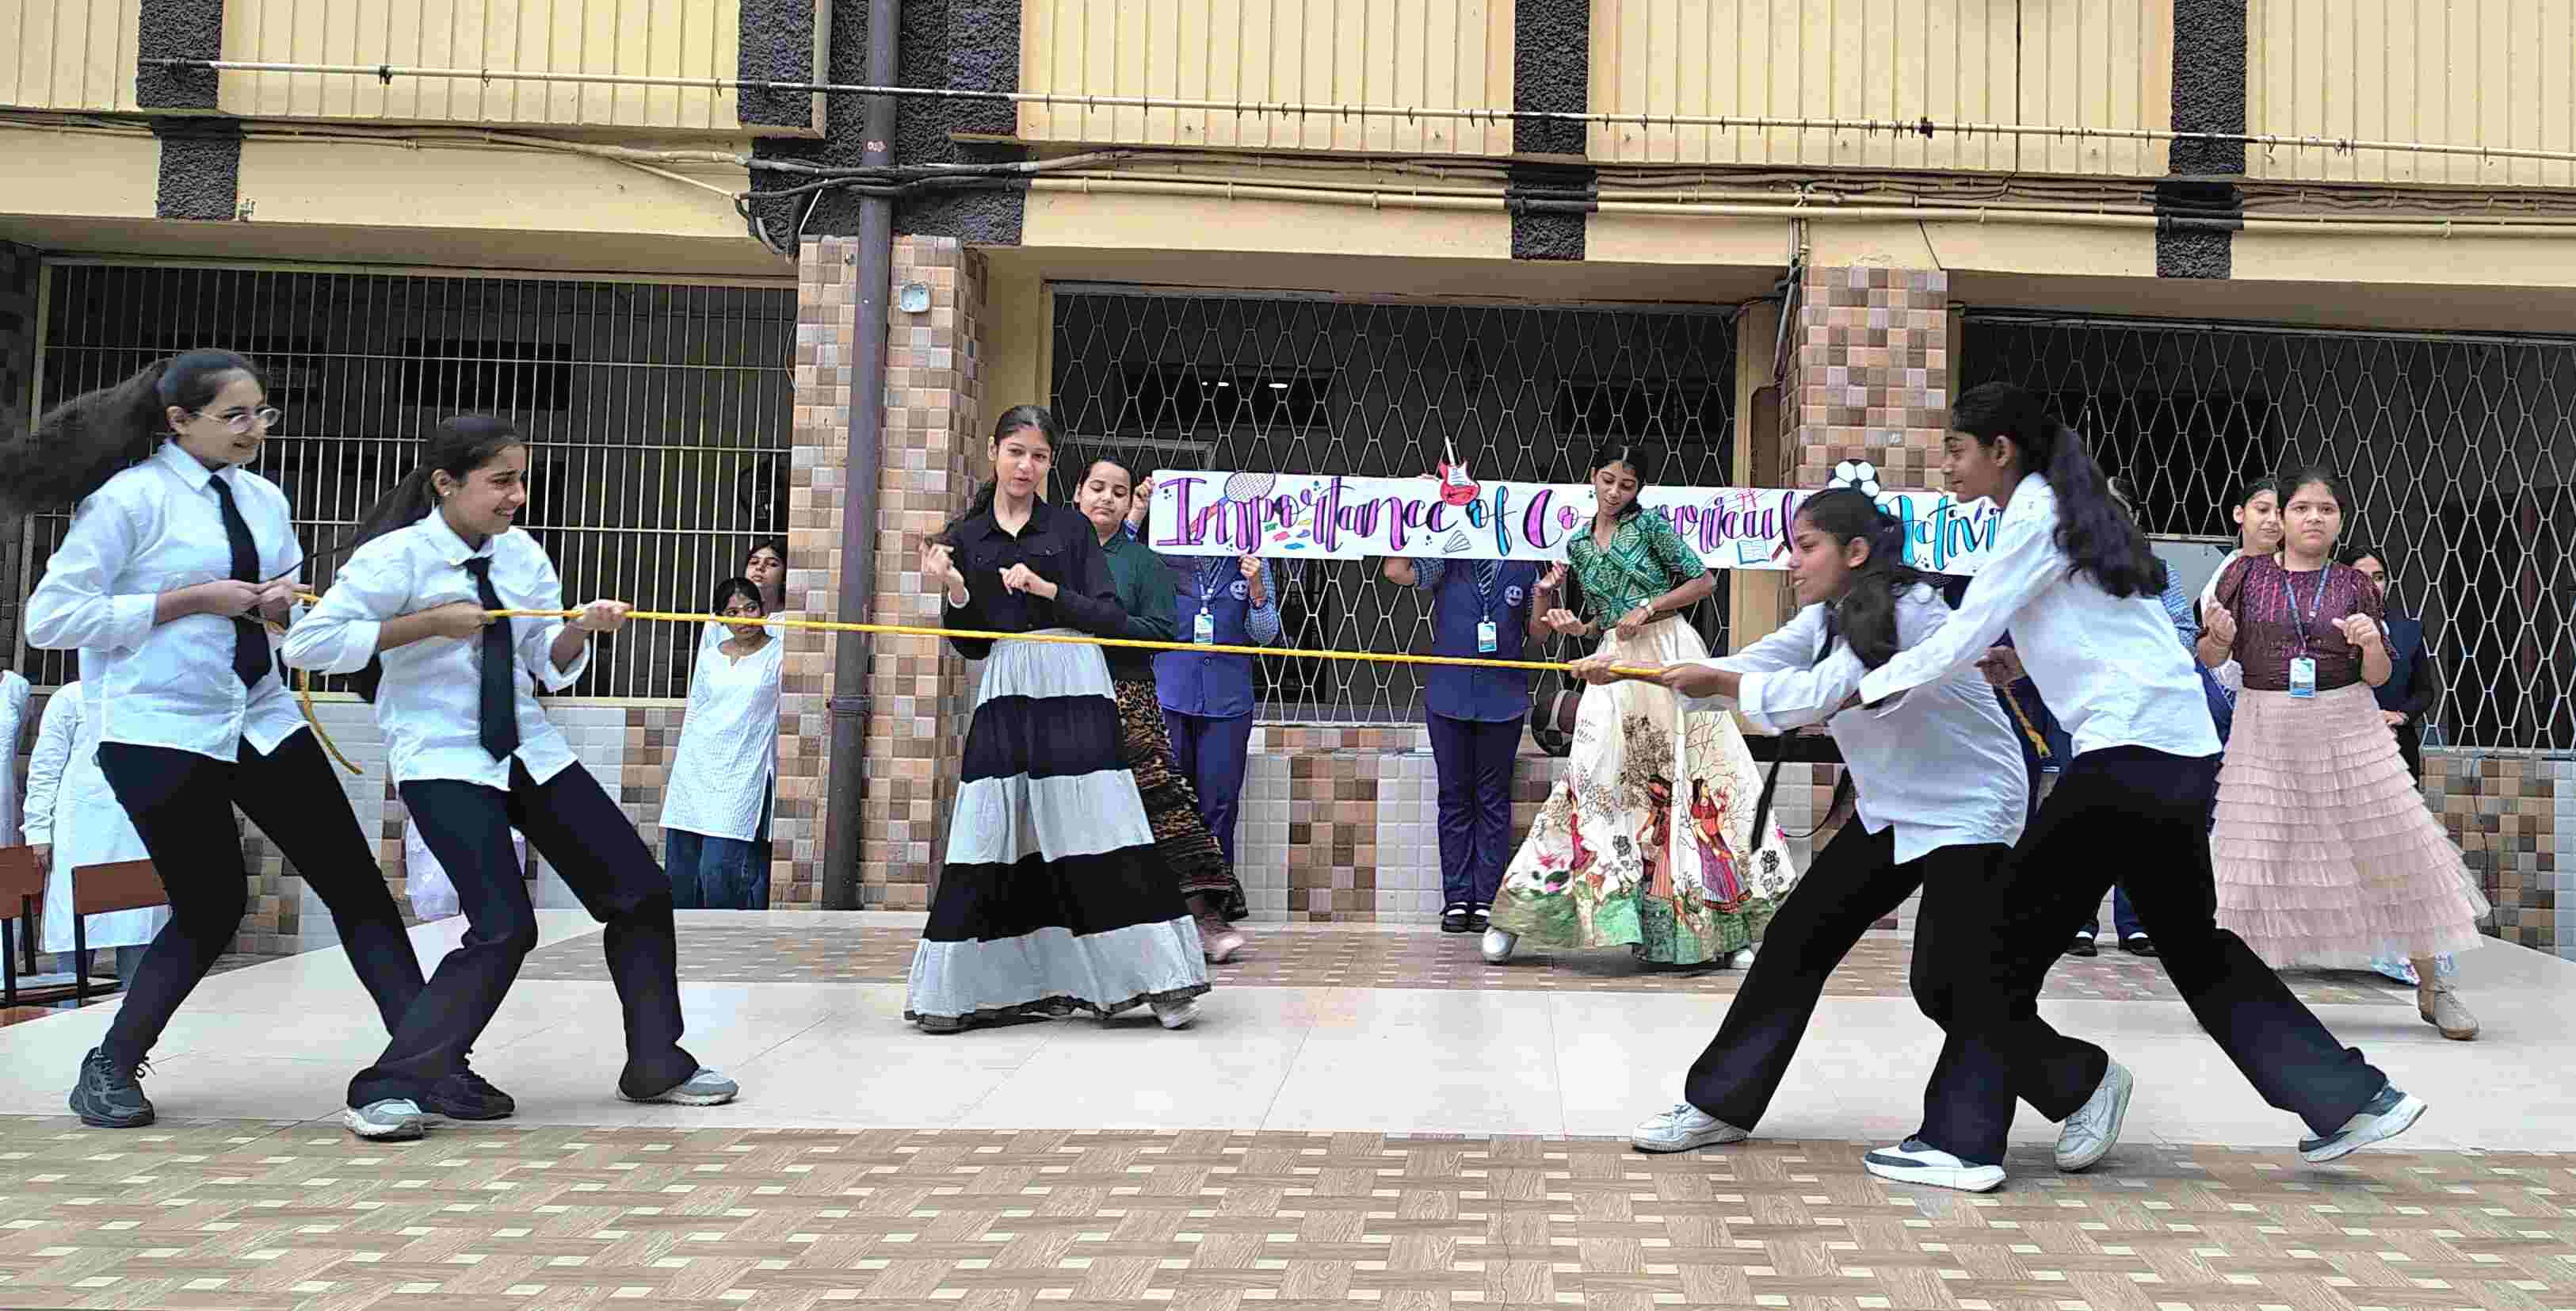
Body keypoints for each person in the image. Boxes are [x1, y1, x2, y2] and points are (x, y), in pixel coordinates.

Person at [1846, 383, 2416, 1193]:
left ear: (1999, 450)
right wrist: (2017, 659)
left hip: (2125, 760)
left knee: (1982, 955)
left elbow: (1972, 620)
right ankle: (2350, 1097)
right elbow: (2093, 632)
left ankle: (1963, 1140)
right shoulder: (2084, 509)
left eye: (1956, 449)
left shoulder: (2035, 509)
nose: (1946, 464)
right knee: (2196, 948)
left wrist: (1864, 689)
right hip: (2177, 753)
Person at [1601, 491, 2108, 1168]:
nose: (1789, 561)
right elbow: (1761, 661)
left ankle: (2079, 1085)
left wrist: (1713, 683)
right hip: (1895, 807)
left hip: (1971, 808)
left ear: (1856, 553)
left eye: (1805, 546)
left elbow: (1823, 693)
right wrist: (1633, 670)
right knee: (1796, 941)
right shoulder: (1828, 616)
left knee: (1948, 981)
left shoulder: (1909, 611)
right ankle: (1719, 1104)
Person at [11, 351, 429, 1136]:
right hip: (157, 728)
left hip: (260, 714)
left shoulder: (264, 499)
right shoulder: (129, 500)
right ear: (178, 421)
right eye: (234, 415)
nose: (254, 428)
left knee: (356, 885)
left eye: (262, 413)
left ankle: (432, 1060)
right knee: (210, 904)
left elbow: (286, 625)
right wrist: (189, 599)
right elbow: (51, 620)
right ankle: (109, 1065)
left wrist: (282, 610)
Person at [286, 413, 738, 1137]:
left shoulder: (522, 555)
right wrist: (425, 624)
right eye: (500, 481)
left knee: (642, 893)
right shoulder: (393, 559)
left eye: (520, 481)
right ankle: (387, 1085)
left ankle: (658, 1061)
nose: (516, 496)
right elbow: (311, 643)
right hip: (443, 756)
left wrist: (581, 628)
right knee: (503, 925)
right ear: (446, 483)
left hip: (528, 747)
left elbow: (542, 664)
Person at [907, 407, 1210, 1032]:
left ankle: (1158, 980)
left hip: (1074, 679)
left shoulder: (1070, 529)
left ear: (1051, 464)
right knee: (992, 830)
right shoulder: (966, 538)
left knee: (1102, 823)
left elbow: (1105, 614)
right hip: (1007, 686)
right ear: (993, 452)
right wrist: (956, 593)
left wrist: (1048, 593)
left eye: (1039, 456)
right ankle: (965, 989)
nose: (1026, 466)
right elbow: (970, 644)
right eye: (1016, 452)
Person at [1483, 442, 1797, 968]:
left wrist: (1648, 607)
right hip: (1613, 661)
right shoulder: (1579, 545)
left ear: (1637, 490)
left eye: (1625, 485)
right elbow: (1581, 625)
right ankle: (1520, 918)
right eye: (1607, 480)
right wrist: (1553, 608)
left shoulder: (1651, 528)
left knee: (1700, 782)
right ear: (1593, 477)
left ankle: (1729, 928)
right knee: (1591, 778)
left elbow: (1702, 580)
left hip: (1670, 652)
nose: (1614, 492)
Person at [2200, 472, 2485, 1039]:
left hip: (2347, 720)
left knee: (2395, 846)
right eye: (2300, 507)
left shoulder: (2356, 585)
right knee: (2250, 857)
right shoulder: (2241, 575)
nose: (2313, 518)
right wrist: (2219, 638)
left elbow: (2377, 676)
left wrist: (2371, 643)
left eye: (2325, 509)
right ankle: (2232, 996)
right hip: (2265, 723)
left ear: (2338, 519)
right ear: (2278, 517)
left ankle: (2433, 985)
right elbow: (2209, 658)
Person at [1077, 454, 1248, 963]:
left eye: (1120, 491)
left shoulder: (1146, 562)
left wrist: (1100, 624)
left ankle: (1204, 917)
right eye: (1097, 487)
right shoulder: (1056, 550)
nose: (1106, 498)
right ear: (1076, 493)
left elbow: (1158, 627)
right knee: (1087, 812)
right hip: (1065, 697)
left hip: (1134, 701)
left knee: (1173, 811)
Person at [1383, 537, 1541, 935]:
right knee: (1454, 797)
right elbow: (1396, 571)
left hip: (1502, 697)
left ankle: (1487, 899)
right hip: (1449, 695)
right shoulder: (1447, 555)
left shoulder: (1524, 562)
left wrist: (1545, 593)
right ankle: (1456, 898)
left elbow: (1537, 634)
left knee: (1493, 799)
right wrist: (1410, 520)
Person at [1127, 480, 1281, 879]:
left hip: (1228, 702)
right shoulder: (1164, 552)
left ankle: (1214, 901)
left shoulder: (1253, 559)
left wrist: (1258, 588)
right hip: (1170, 694)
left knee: (1219, 805)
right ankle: (1167, 903)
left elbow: (1265, 634)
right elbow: (1117, 568)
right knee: (1166, 803)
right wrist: (1138, 512)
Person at [2344, 544, 2453, 988]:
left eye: (2380, 575)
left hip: (2398, 748)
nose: (2373, 584)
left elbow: (2425, 690)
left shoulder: (2408, 630)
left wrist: (2402, 716)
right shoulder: (2332, 629)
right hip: (2346, 748)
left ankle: (2402, 953)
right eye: (2362, 575)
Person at [24, 679, 166, 986]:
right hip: (79, 835)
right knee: (73, 962)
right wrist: (37, 832)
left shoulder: (153, 693)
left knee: (139, 948)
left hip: (138, 834)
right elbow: (45, 767)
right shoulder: (70, 697)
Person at [661, 578, 783, 910]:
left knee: (719, 870)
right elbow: (696, 710)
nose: (743, 617)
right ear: (721, 618)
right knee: (681, 873)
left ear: (763, 610)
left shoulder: (778, 654)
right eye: (732, 611)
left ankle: (726, 946)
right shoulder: (712, 656)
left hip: (742, 770)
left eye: (750, 608)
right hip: (696, 770)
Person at [2199, 479, 2281, 704]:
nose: (2273, 520)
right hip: (2235, 696)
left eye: (2281, 513)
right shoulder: (2223, 580)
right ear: (2239, 514)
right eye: (2262, 510)